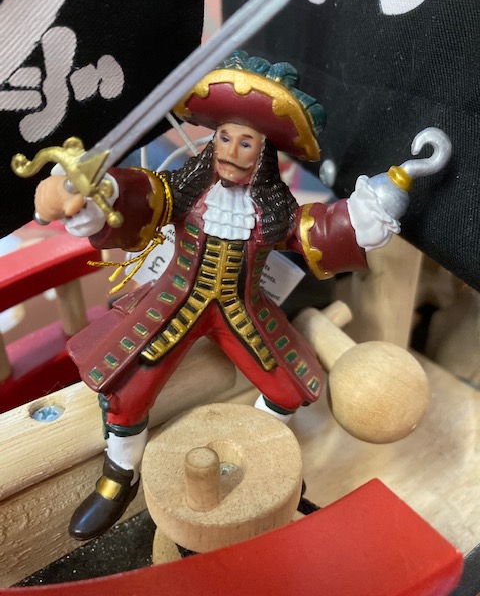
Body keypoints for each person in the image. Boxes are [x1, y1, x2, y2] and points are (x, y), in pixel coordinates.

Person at [35, 51, 410, 540]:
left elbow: (315, 232)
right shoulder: (184, 191)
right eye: (225, 138)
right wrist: (99, 200)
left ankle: (264, 454)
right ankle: (120, 476)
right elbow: (142, 198)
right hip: (173, 304)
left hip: (243, 313)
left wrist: (360, 219)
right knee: (126, 388)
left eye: (246, 142)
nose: (232, 151)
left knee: (286, 389)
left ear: (263, 152)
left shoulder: (273, 211)